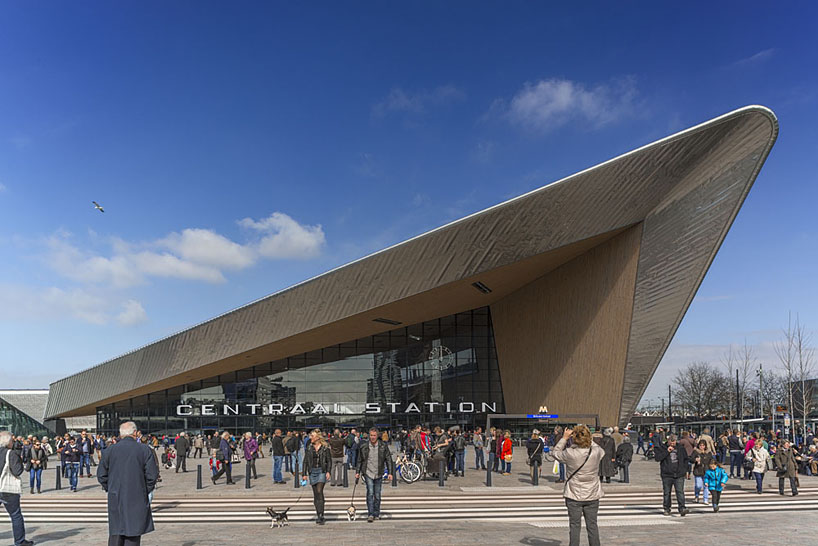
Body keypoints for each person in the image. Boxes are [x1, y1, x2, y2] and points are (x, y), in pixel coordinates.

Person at [98, 421, 159, 546]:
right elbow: (152, 475)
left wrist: (110, 487)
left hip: (116, 495)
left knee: (116, 533)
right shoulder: (144, 449)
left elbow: (101, 475)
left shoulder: (110, 450)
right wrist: (144, 490)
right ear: (135, 433)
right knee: (133, 534)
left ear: (120, 435)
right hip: (136, 496)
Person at [552, 425, 604, 546]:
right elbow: (601, 450)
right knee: (592, 525)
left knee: (574, 526)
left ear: (574, 438)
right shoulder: (595, 452)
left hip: (574, 493)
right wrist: (587, 438)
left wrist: (564, 438)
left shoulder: (570, 453)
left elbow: (555, 453)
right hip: (592, 493)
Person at [1, 430, 34, 546]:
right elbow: (17, 471)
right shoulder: (11, 453)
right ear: (8, 442)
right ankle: (19, 541)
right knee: (15, 515)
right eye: (12, 440)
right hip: (7, 489)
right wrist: (20, 461)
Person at [355, 427, 395, 523]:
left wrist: (390, 472)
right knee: (370, 493)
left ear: (377, 436)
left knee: (377, 495)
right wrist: (357, 472)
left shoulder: (383, 446)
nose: (372, 437)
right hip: (368, 472)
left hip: (379, 472)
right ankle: (371, 514)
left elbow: (388, 459)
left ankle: (376, 513)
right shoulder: (364, 446)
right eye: (371, 435)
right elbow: (359, 460)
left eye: (374, 435)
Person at [654, 433, 690, 516]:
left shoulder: (680, 448)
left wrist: (685, 470)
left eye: (674, 442)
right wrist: (667, 451)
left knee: (680, 492)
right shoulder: (662, 448)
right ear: (668, 441)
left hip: (679, 474)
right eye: (671, 442)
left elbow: (685, 459)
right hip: (667, 474)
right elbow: (657, 458)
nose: (672, 444)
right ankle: (667, 508)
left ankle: (682, 508)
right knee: (667, 492)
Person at [302, 429, 331, 524]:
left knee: (319, 491)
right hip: (312, 471)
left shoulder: (325, 448)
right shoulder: (309, 448)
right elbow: (305, 461)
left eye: (312, 436)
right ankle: (318, 514)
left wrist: (328, 471)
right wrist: (304, 474)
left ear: (318, 437)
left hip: (321, 470)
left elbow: (329, 460)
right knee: (315, 494)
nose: (311, 438)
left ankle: (322, 514)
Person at [691, 440, 712, 504]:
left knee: (706, 486)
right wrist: (695, 460)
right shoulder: (696, 452)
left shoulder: (708, 452)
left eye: (703, 445)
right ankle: (696, 495)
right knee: (698, 485)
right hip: (698, 470)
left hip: (706, 471)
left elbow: (711, 460)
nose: (702, 447)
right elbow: (691, 459)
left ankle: (705, 499)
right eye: (700, 445)